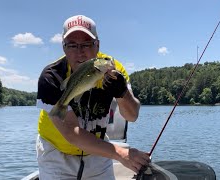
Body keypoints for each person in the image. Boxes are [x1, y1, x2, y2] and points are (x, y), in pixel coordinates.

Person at [36, 15, 150, 180]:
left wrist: (122, 93)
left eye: (86, 44)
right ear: (64, 47)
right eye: (72, 45)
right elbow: (71, 133)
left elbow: (132, 116)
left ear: (97, 45)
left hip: (98, 149)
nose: (79, 52)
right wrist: (121, 154)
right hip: (56, 152)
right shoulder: (51, 76)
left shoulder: (113, 68)